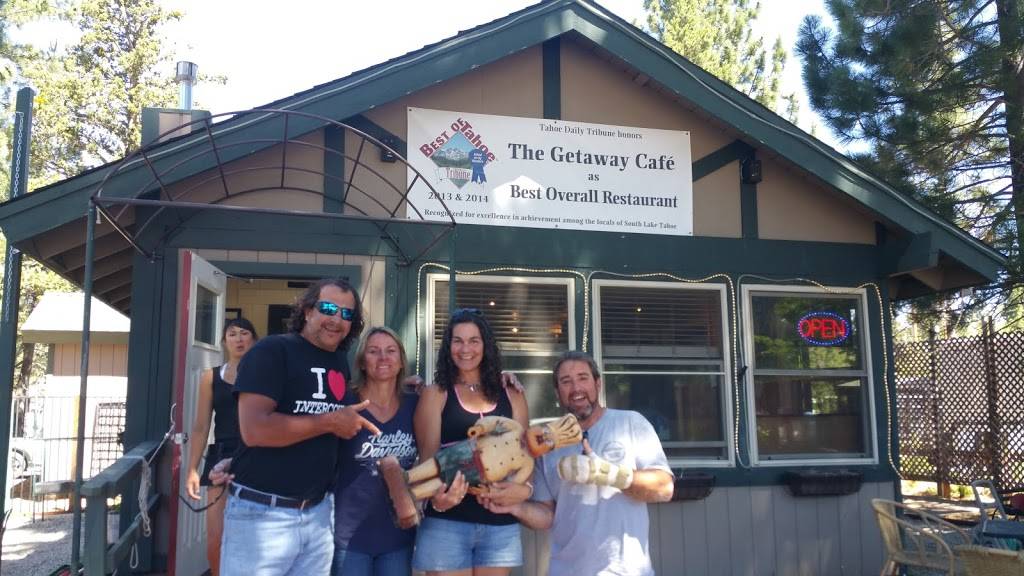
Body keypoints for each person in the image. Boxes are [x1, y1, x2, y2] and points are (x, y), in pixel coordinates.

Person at [220, 278, 382, 576]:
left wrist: (406, 389)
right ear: (307, 311)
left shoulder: (338, 362)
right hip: (262, 515)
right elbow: (254, 429)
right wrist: (330, 422)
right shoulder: (272, 350)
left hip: (318, 515)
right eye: (328, 308)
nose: (337, 319)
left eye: (347, 314)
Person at [481, 351, 674, 576]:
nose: (576, 388)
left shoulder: (630, 423)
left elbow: (664, 488)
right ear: (557, 392)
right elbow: (547, 515)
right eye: (566, 381)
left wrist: (609, 474)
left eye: (583, 378)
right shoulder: (545, 445)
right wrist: (515, 507)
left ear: (598, 383)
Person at [412, 308, 530, 576]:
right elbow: (429, 462)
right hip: (448, 522)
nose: (466, 349)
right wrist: (438, 500)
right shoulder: (436, 394)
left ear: (485, 345)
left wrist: (520, 489)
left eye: (474, 340)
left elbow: (524, 455)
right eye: (458, 341)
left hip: (499, 523)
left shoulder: (511, 393)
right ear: (448, 347)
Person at [332, 326, 418, 576]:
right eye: (373, 351)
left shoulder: (415, 403)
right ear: (361, 361)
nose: (383, 358)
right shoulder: (346, 404)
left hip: (399, 536)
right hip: (350, 536)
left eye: (391, 351)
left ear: (401, 361)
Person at [185, 317, 258, 576]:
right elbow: (201, 426)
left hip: (257, 454)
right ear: (224, 341)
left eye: (244, 333)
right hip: (221, 455)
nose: (238, 339)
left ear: (254, 340)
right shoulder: (211, 377)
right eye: (232, 333)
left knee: (254, 537)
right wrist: (192, 469)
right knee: (216, 537)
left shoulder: (265, 375)